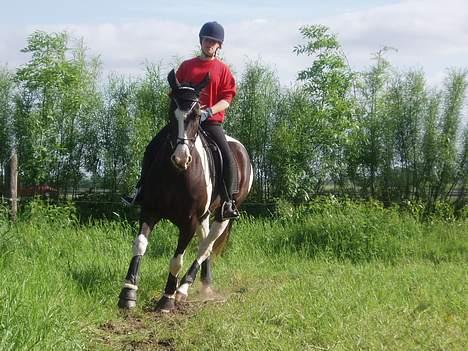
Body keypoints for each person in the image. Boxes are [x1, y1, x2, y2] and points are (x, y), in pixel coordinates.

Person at [123, 21, 240, 220]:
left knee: (227, 156)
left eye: (214, 42)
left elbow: (227, 99)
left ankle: (227, 203)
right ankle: (140, 190)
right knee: (152, 147)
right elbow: (174, 93)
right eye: (207, 40)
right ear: (201, 41)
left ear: (219, 45)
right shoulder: (187, 66)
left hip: (210, 122)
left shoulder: (223, 70)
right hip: (183, 123)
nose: (209, 44)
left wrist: (208, 111)